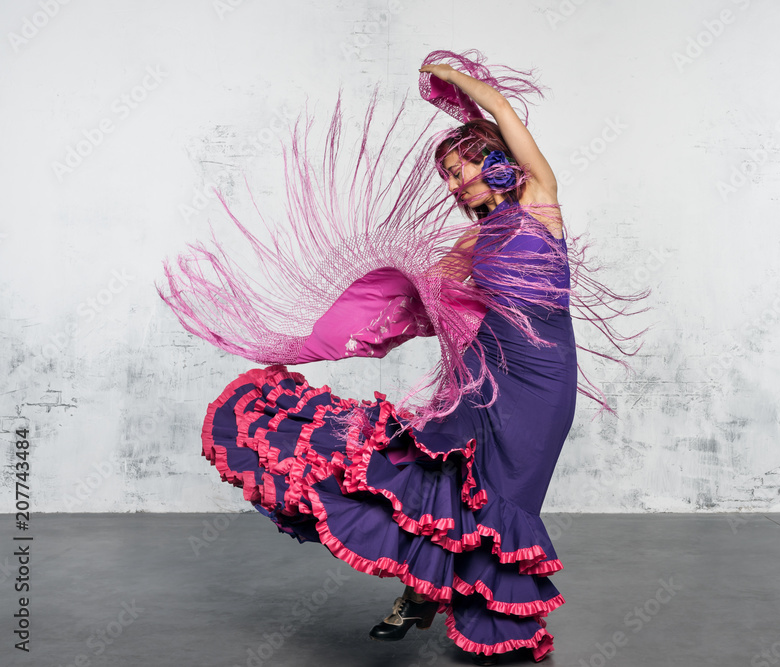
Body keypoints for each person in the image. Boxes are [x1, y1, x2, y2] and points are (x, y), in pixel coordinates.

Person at [159, 50, 647, 666]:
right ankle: (417, 595)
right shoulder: (473, 241)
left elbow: (501, 110)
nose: (455, 181)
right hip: (484, 377)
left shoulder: (540, 204)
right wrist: (338, 334)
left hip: (543, 382)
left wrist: (454, 79)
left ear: (494, 159)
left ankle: (462, 605)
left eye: (462, 165)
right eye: (448, 174)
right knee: (450, 483)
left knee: (509, 499)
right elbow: (420, 299)